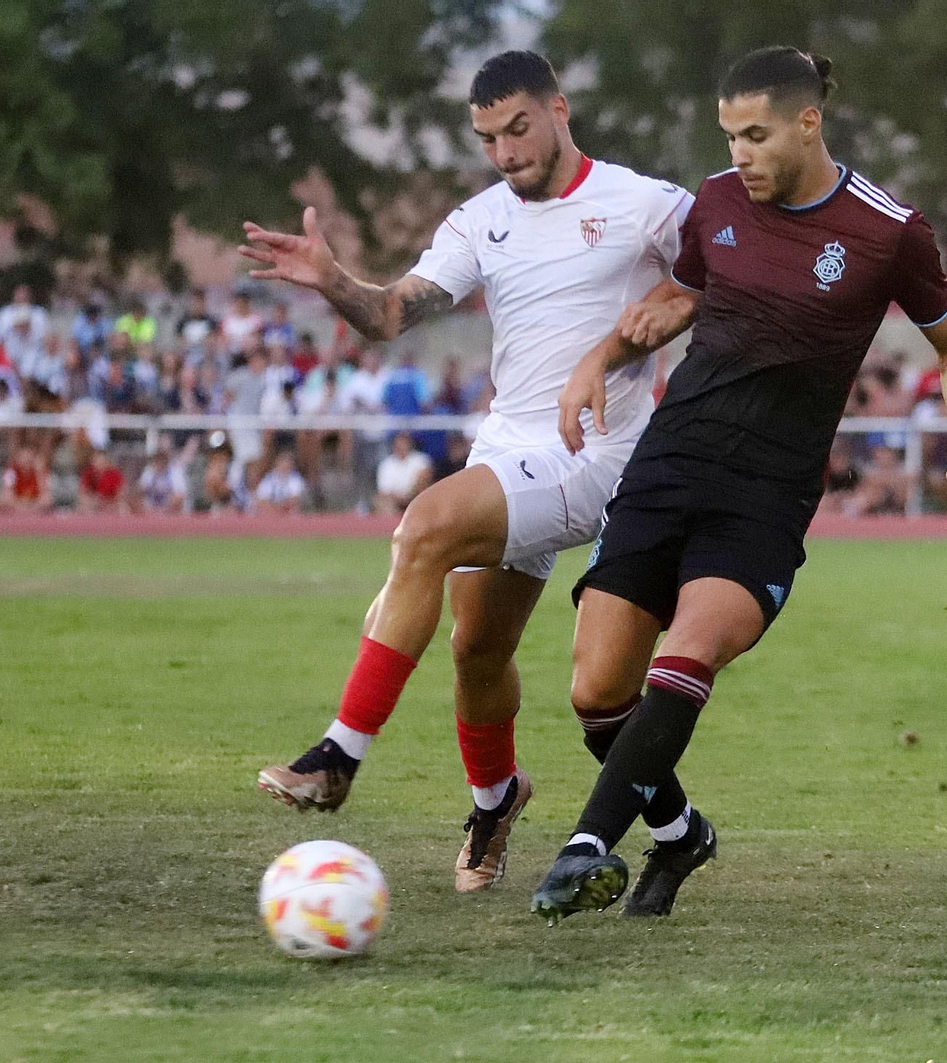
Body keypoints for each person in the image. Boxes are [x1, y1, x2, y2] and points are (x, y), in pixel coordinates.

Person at [528, 46, 947, 922]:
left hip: (766, 490)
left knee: (688, 653)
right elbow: (682, 296)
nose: (738, 154)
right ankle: (680, 835)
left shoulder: (887, 229)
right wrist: (598, 357)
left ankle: (584, 848)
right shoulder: (715, 203)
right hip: (669, 464)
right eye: (729, 135)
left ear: (807, 122)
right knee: (597, 693)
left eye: (754, 135)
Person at [242, 49, 696, 892]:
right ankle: (497, 798)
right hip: (508, 448)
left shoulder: (645, 203)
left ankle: (338, 755)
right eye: (488, 137)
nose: (507, 152)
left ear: (559, 110)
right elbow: (388, 314)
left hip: (594, 454)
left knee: (424, 527)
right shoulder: (481, 218)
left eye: (519, 129)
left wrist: (642, 331)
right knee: (478, 648)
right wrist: (331, 278)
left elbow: (718, 277)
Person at [374, 431, 435, 515]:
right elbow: (384, 491)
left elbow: (425, 479)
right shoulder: (386, 464)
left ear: (410, 444)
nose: (402, 446)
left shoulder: (420, 459)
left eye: (405, 443)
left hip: (416, 496)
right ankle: (394, 525)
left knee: (423, 484)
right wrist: (400, 498)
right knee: (382, 501)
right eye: (399, 443)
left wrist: (411, 494)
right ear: (394, 445)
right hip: (395, 500)